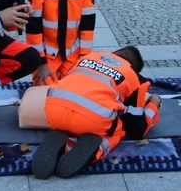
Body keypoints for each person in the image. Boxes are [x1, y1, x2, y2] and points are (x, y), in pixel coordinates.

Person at [31, 47, 161, 179]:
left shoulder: (87, 58)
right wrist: (154, 104)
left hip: (54, 112)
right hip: (92, 122)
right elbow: (137, 129)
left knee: (74, 118)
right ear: (134, 69)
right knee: (121, 128)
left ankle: (61, 139)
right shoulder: (134, 77)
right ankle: (94, 148)